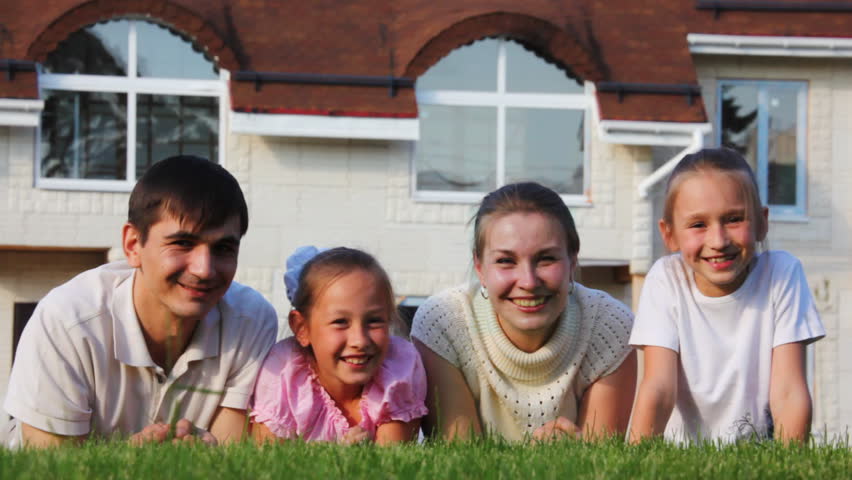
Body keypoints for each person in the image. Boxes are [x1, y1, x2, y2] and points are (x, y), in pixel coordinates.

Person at [2, 155, 278, 448]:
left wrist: (204, 454)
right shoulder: (68, 321)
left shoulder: (252, 321)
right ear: (133, 245)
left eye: (223, 248)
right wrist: (129, 461)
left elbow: (228, 455)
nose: (204, 269)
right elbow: (53, 466)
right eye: (182, 243)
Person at [410, 182, 636, 442]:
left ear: (572, 260)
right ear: (480, 267)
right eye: (506, 261)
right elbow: (459, 456)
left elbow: (602, 458)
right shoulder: (443, 321)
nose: (528, 282)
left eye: (546, 259)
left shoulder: (609, 325)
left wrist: (577, 456)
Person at [628, 148, 825, 444]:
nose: (718, 241)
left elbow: (788, 391)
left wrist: (791, 465)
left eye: (734, 219)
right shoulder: (664, 280)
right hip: (678, 457)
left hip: (758, 453)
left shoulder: (782, 274)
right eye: (698, 225)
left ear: (761, 222)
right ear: (669, 234)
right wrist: (634, 464)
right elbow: (659, 388)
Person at [250, 247, 427, 445]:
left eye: (374, 321)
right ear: (302, 328)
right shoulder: (283, 374)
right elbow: (270, 463)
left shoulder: (398, 367)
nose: (359, 341)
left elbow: (392, 461)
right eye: (340, 322)